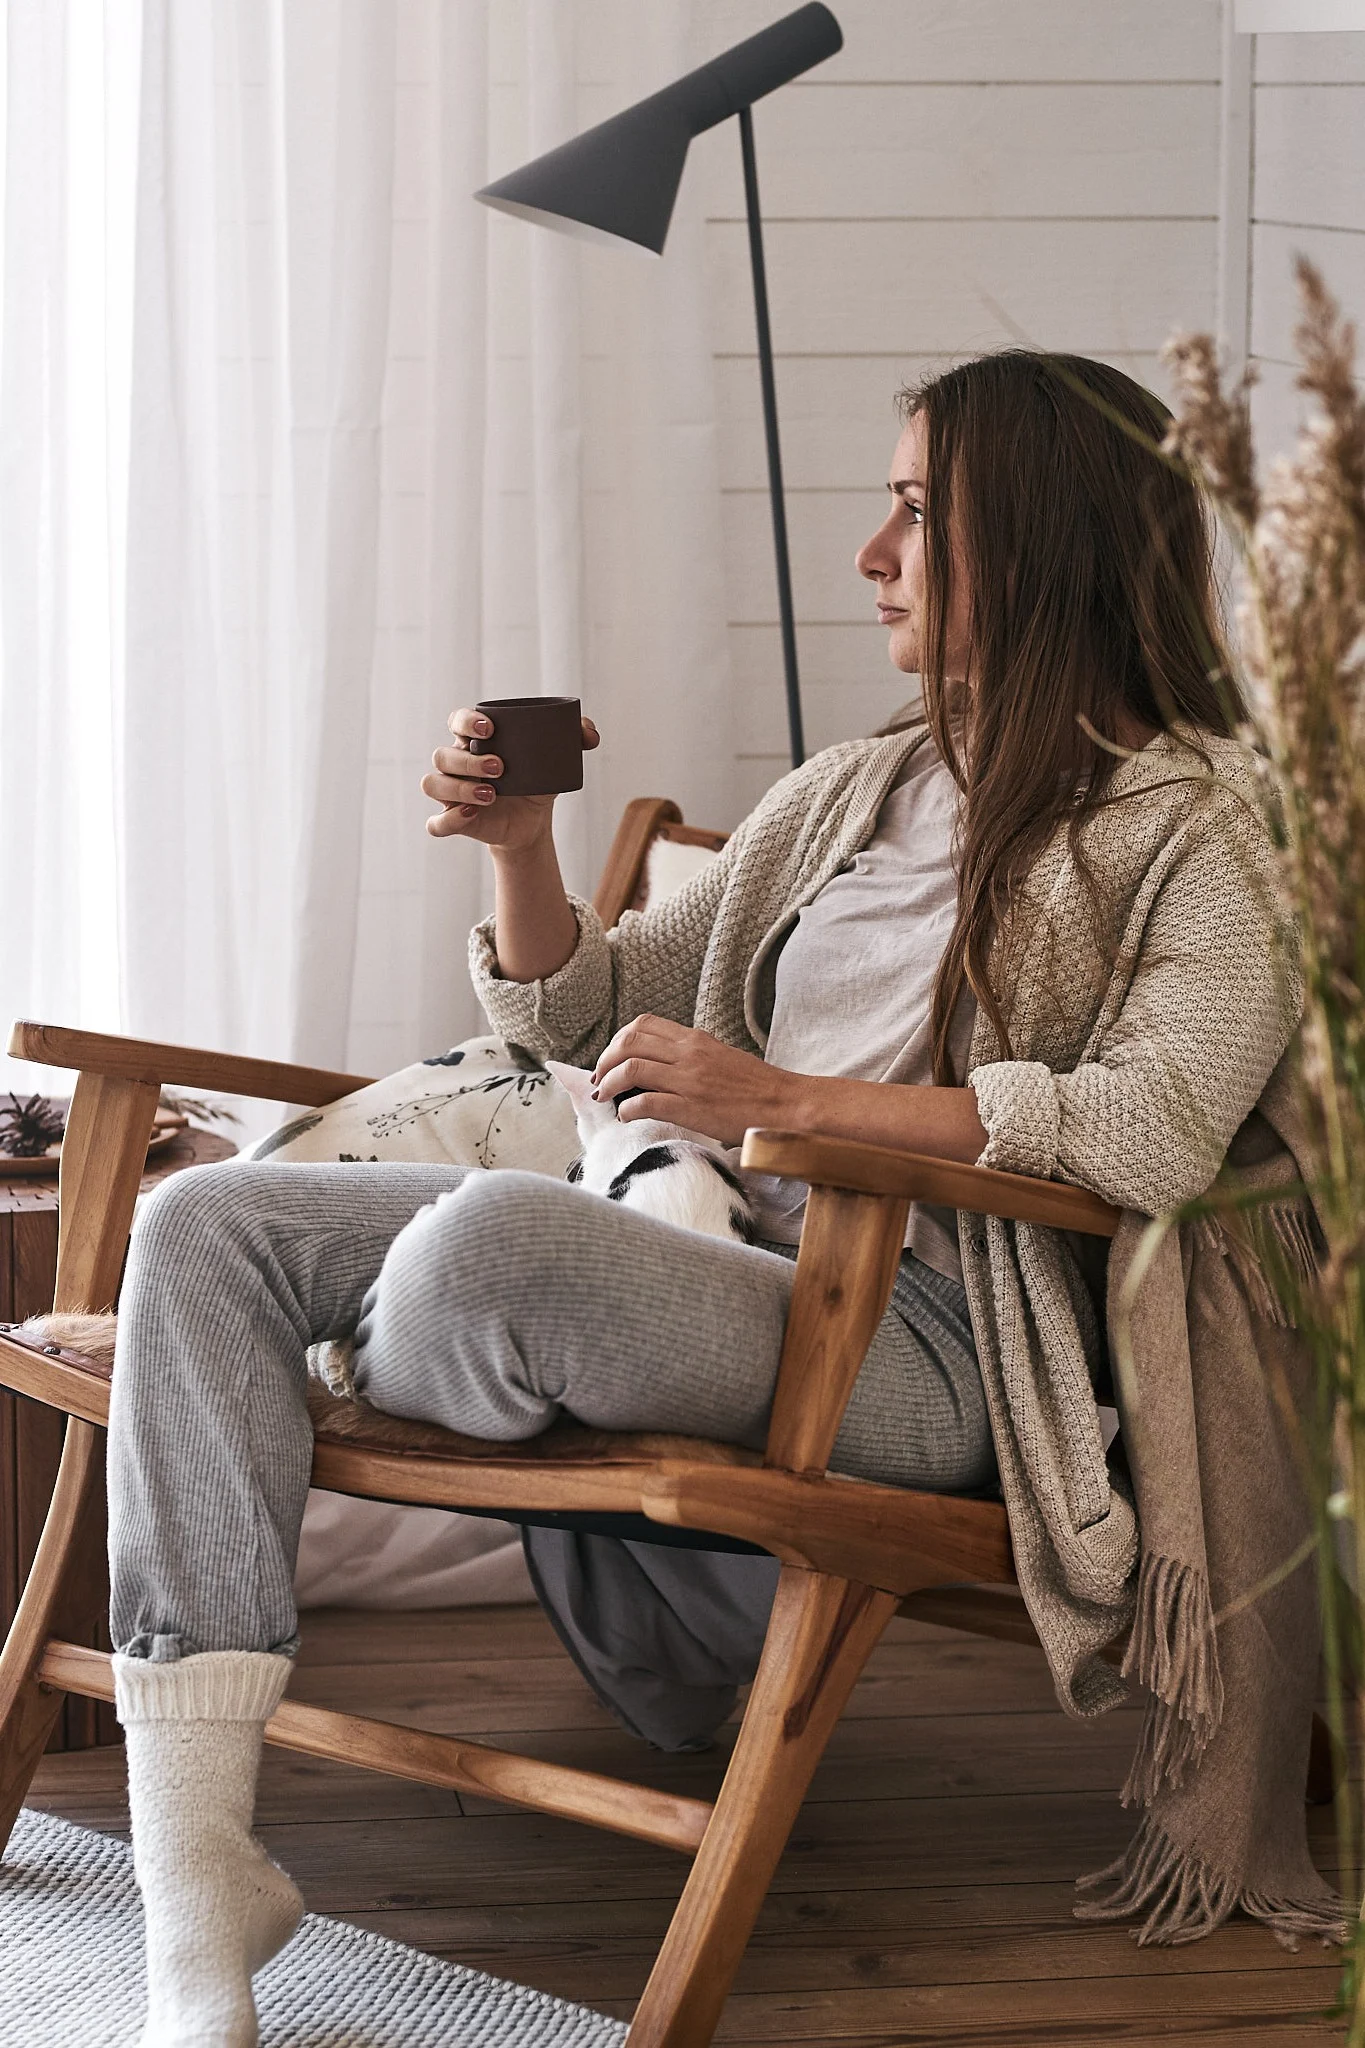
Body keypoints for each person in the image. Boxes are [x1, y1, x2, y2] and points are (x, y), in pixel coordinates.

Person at [105, 350, 1335, 2048]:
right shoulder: (857, 787)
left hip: (917, 1337)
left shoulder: (1208, 824)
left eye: (918, 512)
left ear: (1039, 542)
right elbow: (578, 1007)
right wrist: (525, 846)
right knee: (195, 1228)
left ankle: (348, 1348)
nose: (871, 553)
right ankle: (200, 1885)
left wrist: (778, 1104)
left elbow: (1158, 1125)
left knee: (479, 1250)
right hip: (692, 1252)